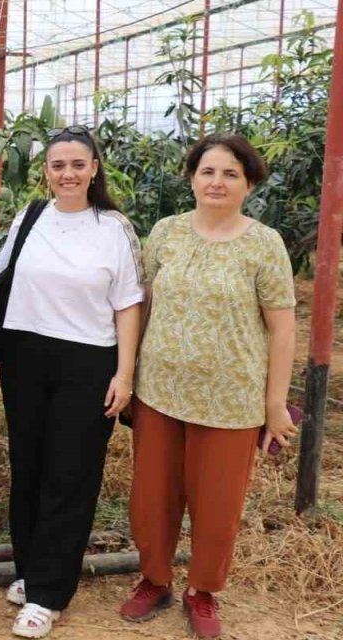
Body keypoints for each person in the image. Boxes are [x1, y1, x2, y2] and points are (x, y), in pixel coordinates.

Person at [119, 134, 297, 639]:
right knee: (152, 497)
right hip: (161, 391)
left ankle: (203, 590)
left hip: (230, 398)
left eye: (230, 174)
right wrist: (128, 373)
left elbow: (283, 329)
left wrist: (275, 404)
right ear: (192, 179)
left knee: (217, 505)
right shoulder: (166, 233)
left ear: (249, 184)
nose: (217, 182)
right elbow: (145, 304)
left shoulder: (263, 243)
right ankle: (154, 579)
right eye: (208, 172)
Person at [0, 126, 144, 638]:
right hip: (25, 357)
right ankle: (30, 571)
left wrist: (125, 374)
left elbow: (129, 305)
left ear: (94, 169)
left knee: (71, 474)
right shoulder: (30, 218)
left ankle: (50, 593)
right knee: (29, 469)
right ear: (46, 171)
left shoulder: (114, 228)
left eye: (77, 164)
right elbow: (0, 283)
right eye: (57, 165)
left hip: (87, 360)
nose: (67, 174)